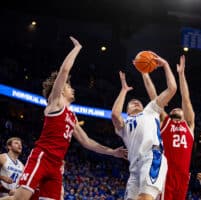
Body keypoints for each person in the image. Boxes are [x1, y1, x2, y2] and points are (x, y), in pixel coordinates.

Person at [0, 36, 127, 200]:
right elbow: (64, 71)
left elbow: (87, 142)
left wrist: (113, 152)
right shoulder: (55, 104)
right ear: (60, 91)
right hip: (42, 157)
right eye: (69, 86)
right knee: (20, 199)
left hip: (56, 164)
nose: (72, 89)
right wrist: (77, 48)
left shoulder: (72, 117)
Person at [111, 54, 177, 200]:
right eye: (131, 102)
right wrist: (123, 90)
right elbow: (115, 115)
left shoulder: (150, 110)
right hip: (134, 168)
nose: (135, 102)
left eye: (138, 102)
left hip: (152, 156)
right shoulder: (123, 125)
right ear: (126, 110)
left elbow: (172, 88)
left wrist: (165, 65)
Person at [142, 55, 194, 200]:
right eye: (173, 109)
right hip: (167, 174)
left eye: (179, 108)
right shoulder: (166, 121)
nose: (177, 108)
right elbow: (154, 98)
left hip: (183, 176)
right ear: (169, 113)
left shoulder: (189, 125)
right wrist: (144, 73)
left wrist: (181, 74)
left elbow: (186, 98)